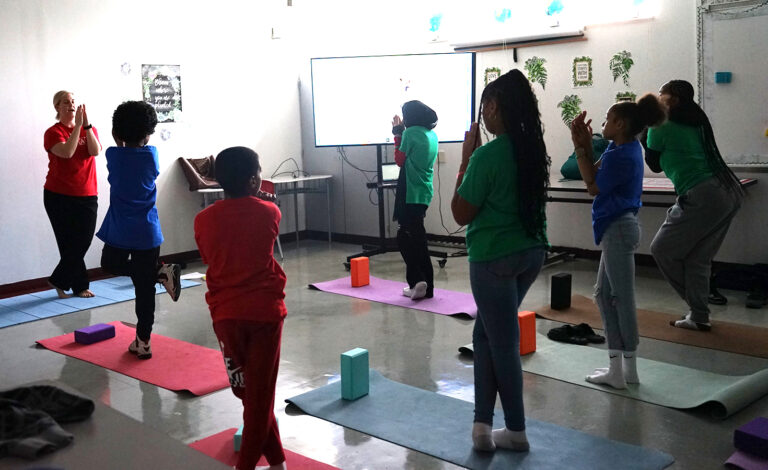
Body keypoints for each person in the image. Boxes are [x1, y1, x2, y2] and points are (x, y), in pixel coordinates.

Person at [451, 69, 549, 453]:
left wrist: (464, 160)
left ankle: (517, 431)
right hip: (532, 252)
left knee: (503, 343)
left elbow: (460, 213)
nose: (484, 116)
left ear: (492, 106)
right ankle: (481, 426)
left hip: (494, 257)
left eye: (485, 107)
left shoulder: (487, 155)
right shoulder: (533, 150)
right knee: (485, 335)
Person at [194, 147, 286, 470]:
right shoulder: (269, 212)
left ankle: (277, 463)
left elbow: (209, 257)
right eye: (259, 172)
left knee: (251, 394)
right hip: (264, 315)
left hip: (225, 317)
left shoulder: (202, 219)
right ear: (252, 180)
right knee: (257, 398)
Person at [569, 95, 666, 389]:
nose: (603, 124)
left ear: (621, 123)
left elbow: (592, 185)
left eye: (608, 119)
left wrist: (579, 146)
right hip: (617, 227)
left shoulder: (622, 154)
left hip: (619, 229)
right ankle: (618, 367)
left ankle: (628, 370)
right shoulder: (621, 146)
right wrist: (583, 143)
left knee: (621, 298)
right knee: (603, 295)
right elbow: (594, 170)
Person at [645, 80, 744, 331]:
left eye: (662, 95)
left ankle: (698, 309)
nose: (658, 99)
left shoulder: (661, 124)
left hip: (702, 194)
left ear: (674, 100)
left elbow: (654, 164)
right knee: (698, 259)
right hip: (728, 191)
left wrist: (640, 133)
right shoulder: (697, 121)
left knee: (662, 249)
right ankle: (699, 318)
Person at [95, 101, 181, 360]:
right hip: (147, 231)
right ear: (148, 133)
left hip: (121, 231)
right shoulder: (151, 156)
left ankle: (156, 272)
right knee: (144, 288)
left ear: (118, 133)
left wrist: (119, 139)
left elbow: (120, 154)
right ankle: (143, 341)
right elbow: (137, 151)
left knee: (110, 264)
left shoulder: (114, 155)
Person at [43, 90, 102, 299]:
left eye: (73, 101)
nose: (71, 105)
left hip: (87, 193)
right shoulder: (53, 132)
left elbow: (95, 152)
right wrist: (77, 127)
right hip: (58, 195)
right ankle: (79, 286)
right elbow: (67, 153)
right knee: (68, 243)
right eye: (66, 102)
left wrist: (85, 126)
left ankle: (58, 280)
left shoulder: (89, 129)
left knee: (82, 241)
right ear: (57, 107)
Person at [391, 100, 439, 300]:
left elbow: (399, 160)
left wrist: (397, 132)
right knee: (418, 237)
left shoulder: (410, 133)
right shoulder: (432, 135)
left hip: (409, 192)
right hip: (424, 192)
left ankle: (417, 282)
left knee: (405, 236)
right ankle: (427, 287)